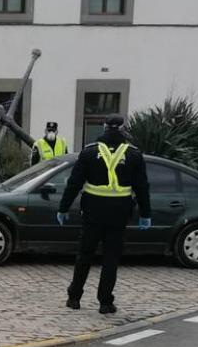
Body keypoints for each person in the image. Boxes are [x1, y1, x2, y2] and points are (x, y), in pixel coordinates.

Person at [57, 114, 151, 315]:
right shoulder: (134, 155)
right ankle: (105, 302)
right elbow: (142, 187)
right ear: (123, 128)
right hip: (119, 213)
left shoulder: (89, 152)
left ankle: (74, 297)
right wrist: (146, 213)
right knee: (111, 258)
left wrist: (63, 208)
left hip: (93, 211)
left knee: (84, 254)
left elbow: (74, 183)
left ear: (104, 127)